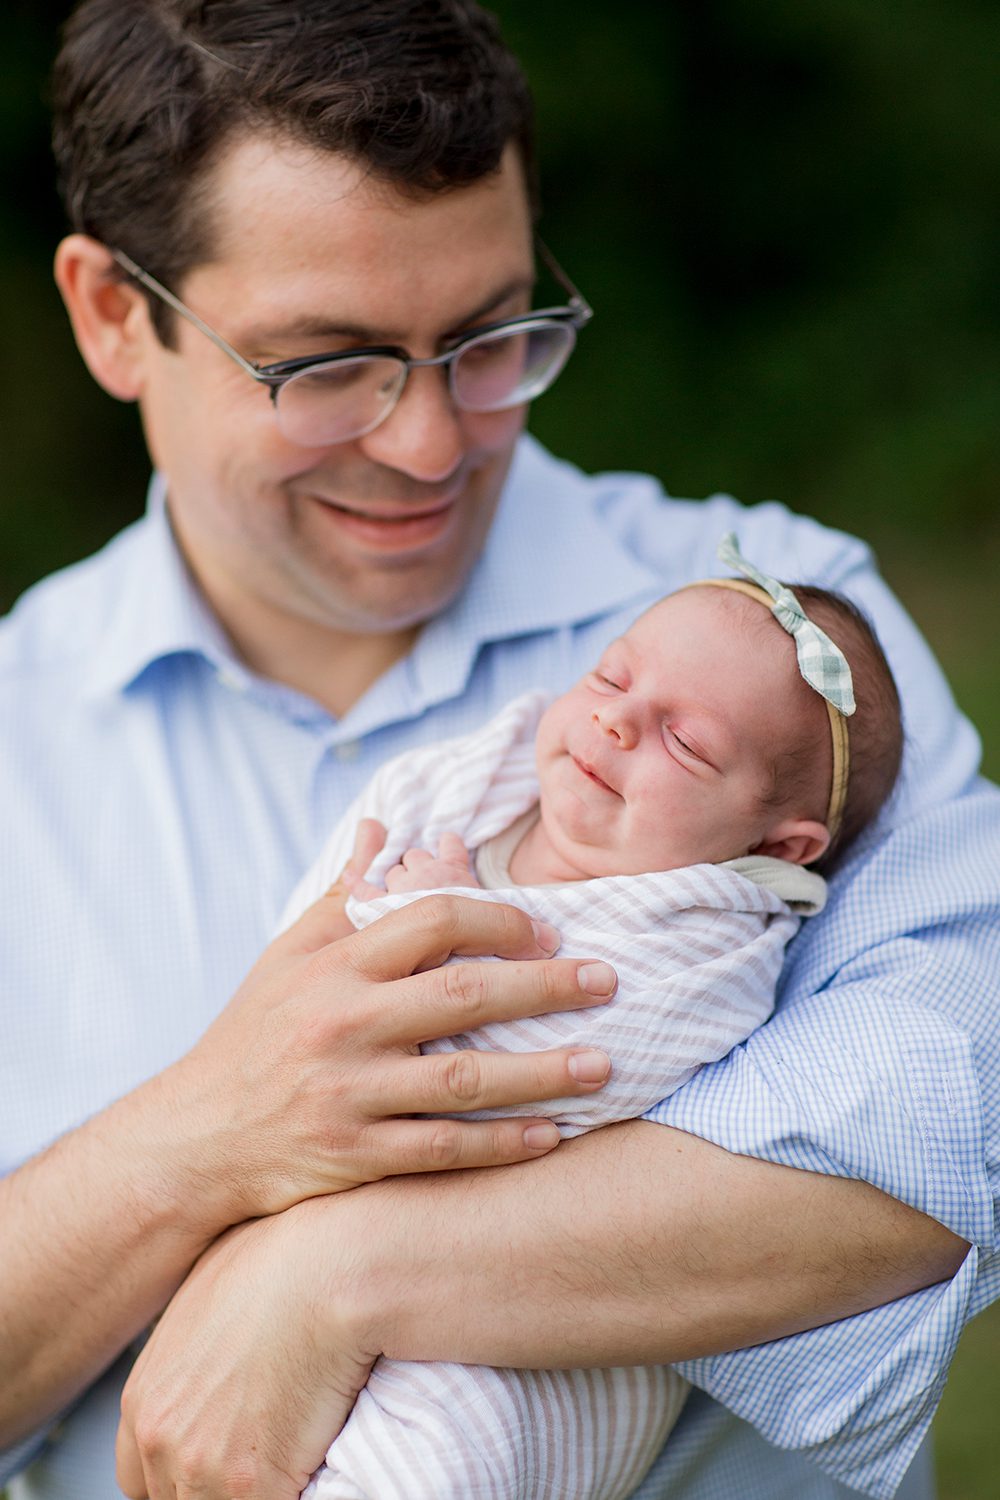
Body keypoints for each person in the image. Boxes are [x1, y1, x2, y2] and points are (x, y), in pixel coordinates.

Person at [0, 3, 996, 1499]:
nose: (427, 443)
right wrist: (203, 1142)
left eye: (488, 337)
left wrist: (334, 1274)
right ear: (107, 316)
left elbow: (947, 1128)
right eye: (323, 363)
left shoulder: (778, 637)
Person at [285, 549, 903, 1500]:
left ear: (777, 846)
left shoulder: (703, 945)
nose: (616, 718)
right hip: (315, 1222)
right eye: (612, 676)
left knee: (439, 1465)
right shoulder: (468, 794)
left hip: (507, 1329)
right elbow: (297, 981)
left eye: (686, 744)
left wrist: (425, 935)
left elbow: (591, 1071)